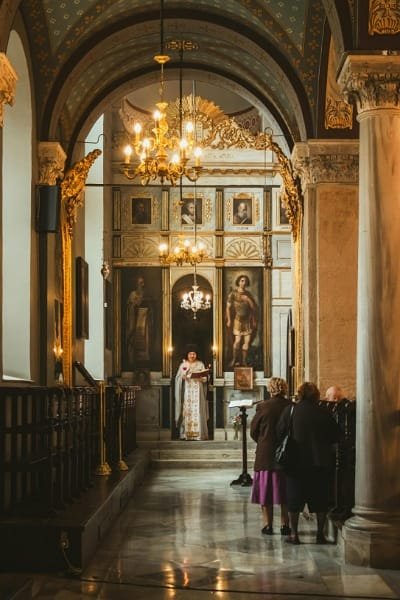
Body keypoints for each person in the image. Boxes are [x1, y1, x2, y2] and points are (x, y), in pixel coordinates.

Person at [276, 382, 340, 544]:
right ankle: (320, 534)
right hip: (319, 462)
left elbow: (280, 432)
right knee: (320, 500)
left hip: (295, 462)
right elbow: (335, 436)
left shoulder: (291, 411)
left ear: (300, 394)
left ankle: (294, 534)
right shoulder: (324, 412)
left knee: (294, 501)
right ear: (316, 395)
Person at [250, 377, 291, 536]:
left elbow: (254, 431)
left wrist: (263, 441)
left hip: (266, 454)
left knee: (265, 492)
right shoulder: (291, 406)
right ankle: (285, 524)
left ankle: (267, 524)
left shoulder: (264, 406)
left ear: (270, 389)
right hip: (286, 454)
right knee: (285, 492)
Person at [325, 385, 356, 520]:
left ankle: (344, 507)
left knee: (345, 481)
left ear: (336, 397)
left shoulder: (346, 409)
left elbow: (343, 431)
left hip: (346, 450)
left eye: (329, 397)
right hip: (341, 450)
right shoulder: (339, 408)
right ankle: (339, 505)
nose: (326, 400)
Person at [175, 345, 209, 440]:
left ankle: (199, 434)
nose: (192, 355)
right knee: (187, 411)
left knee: (198, 410)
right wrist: (182, 377)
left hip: (198, 392)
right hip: (187, 392)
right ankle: (186, 434)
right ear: (187, 354)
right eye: (190, 353)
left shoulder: (200, 364)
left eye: (194, 353)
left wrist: (203, 378)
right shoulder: (183, 365)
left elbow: (205, 378)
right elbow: (178, 378)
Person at [226, 274, 259, 366]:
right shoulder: (232, 294)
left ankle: (244, 361)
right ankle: (234, 359)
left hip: (247, 321)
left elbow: (254, 308)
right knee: (237, 341)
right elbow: (228, 308)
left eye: (245, 281)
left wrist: (248, 299)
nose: (243, 283)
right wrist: (229, 319)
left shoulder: (248, 295)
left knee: (246, 342)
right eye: (242, 281)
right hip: (237, 320)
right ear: (238, 282)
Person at [126, 275, 152, 365]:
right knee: (134, 337)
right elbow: (131, 306)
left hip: (144, 318)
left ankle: (144, 356)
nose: (140, 285)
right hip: (135, 318)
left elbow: (150, 305)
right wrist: (135, 305)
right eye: (139, 283)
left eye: (142, 283)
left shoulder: (145, 293)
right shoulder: (133, 294)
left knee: (144, 337)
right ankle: (133, 357)